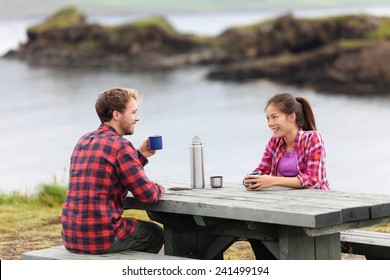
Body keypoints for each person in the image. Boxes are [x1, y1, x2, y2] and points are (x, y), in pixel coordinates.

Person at [61, 87, 165, 255]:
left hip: (72, 236)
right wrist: (160, 188)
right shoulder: (120, 146)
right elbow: (149, 195)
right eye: (133, 113)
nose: (137, 118)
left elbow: (111, 170)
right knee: (154, 233)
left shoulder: (84, 140)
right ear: (116, 115)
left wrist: (139, 155)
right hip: (101, 238)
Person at [243, 92, 330, 259]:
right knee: (254, 231)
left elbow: (313, 180)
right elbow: (262, 169)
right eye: (267, 118)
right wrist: (252, 179)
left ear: (291, 117)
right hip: (285, 208)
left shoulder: (312, 139)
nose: (270, 123)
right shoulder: (274, 142)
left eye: (274, 117)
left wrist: (272, 181)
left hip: (316, 208)